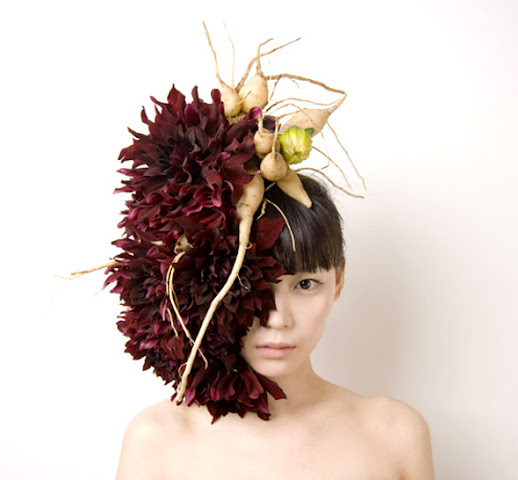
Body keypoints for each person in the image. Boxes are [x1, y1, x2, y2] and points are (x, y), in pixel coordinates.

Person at [114, 176, 435, 480]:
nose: (278, 318)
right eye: (248, 285)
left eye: (305, 284)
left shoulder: (395, 434)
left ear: (339, 280)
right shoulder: (156, 439)